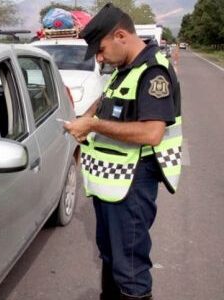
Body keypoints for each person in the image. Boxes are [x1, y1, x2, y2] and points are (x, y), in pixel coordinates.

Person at [64, 3, 183, 300]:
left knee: (130, 267)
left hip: (133, 185)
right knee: (111, 256)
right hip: (113, 185)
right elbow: (104, 104)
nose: (100, 58)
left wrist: (92, 126)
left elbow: (152, 133)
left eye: (101, 50)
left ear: (120, 36)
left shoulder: (154, 72)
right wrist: (84, 119)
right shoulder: (123, 70)